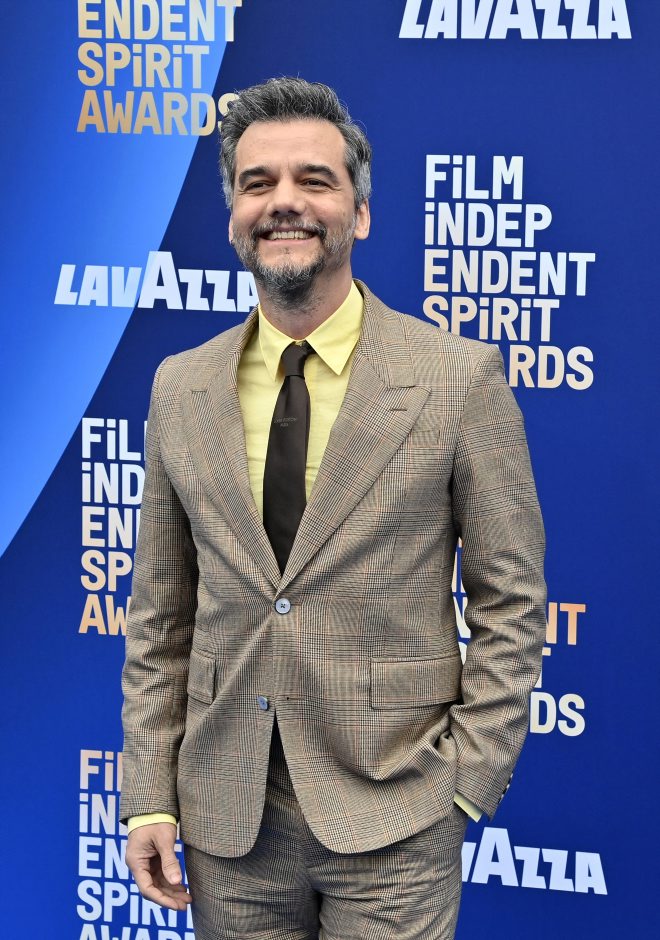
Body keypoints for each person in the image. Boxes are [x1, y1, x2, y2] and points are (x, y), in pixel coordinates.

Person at [120, 77, 546, 940]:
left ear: (361, 212)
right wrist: (149, 797)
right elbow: (161, 616)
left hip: (397, 814)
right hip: (226, 821)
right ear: (234, 217)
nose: (284, 202)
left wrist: (466, 781)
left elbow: (512, 600)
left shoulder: (458, 380)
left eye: (314, 180)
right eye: (258, 183)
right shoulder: (179, 387)